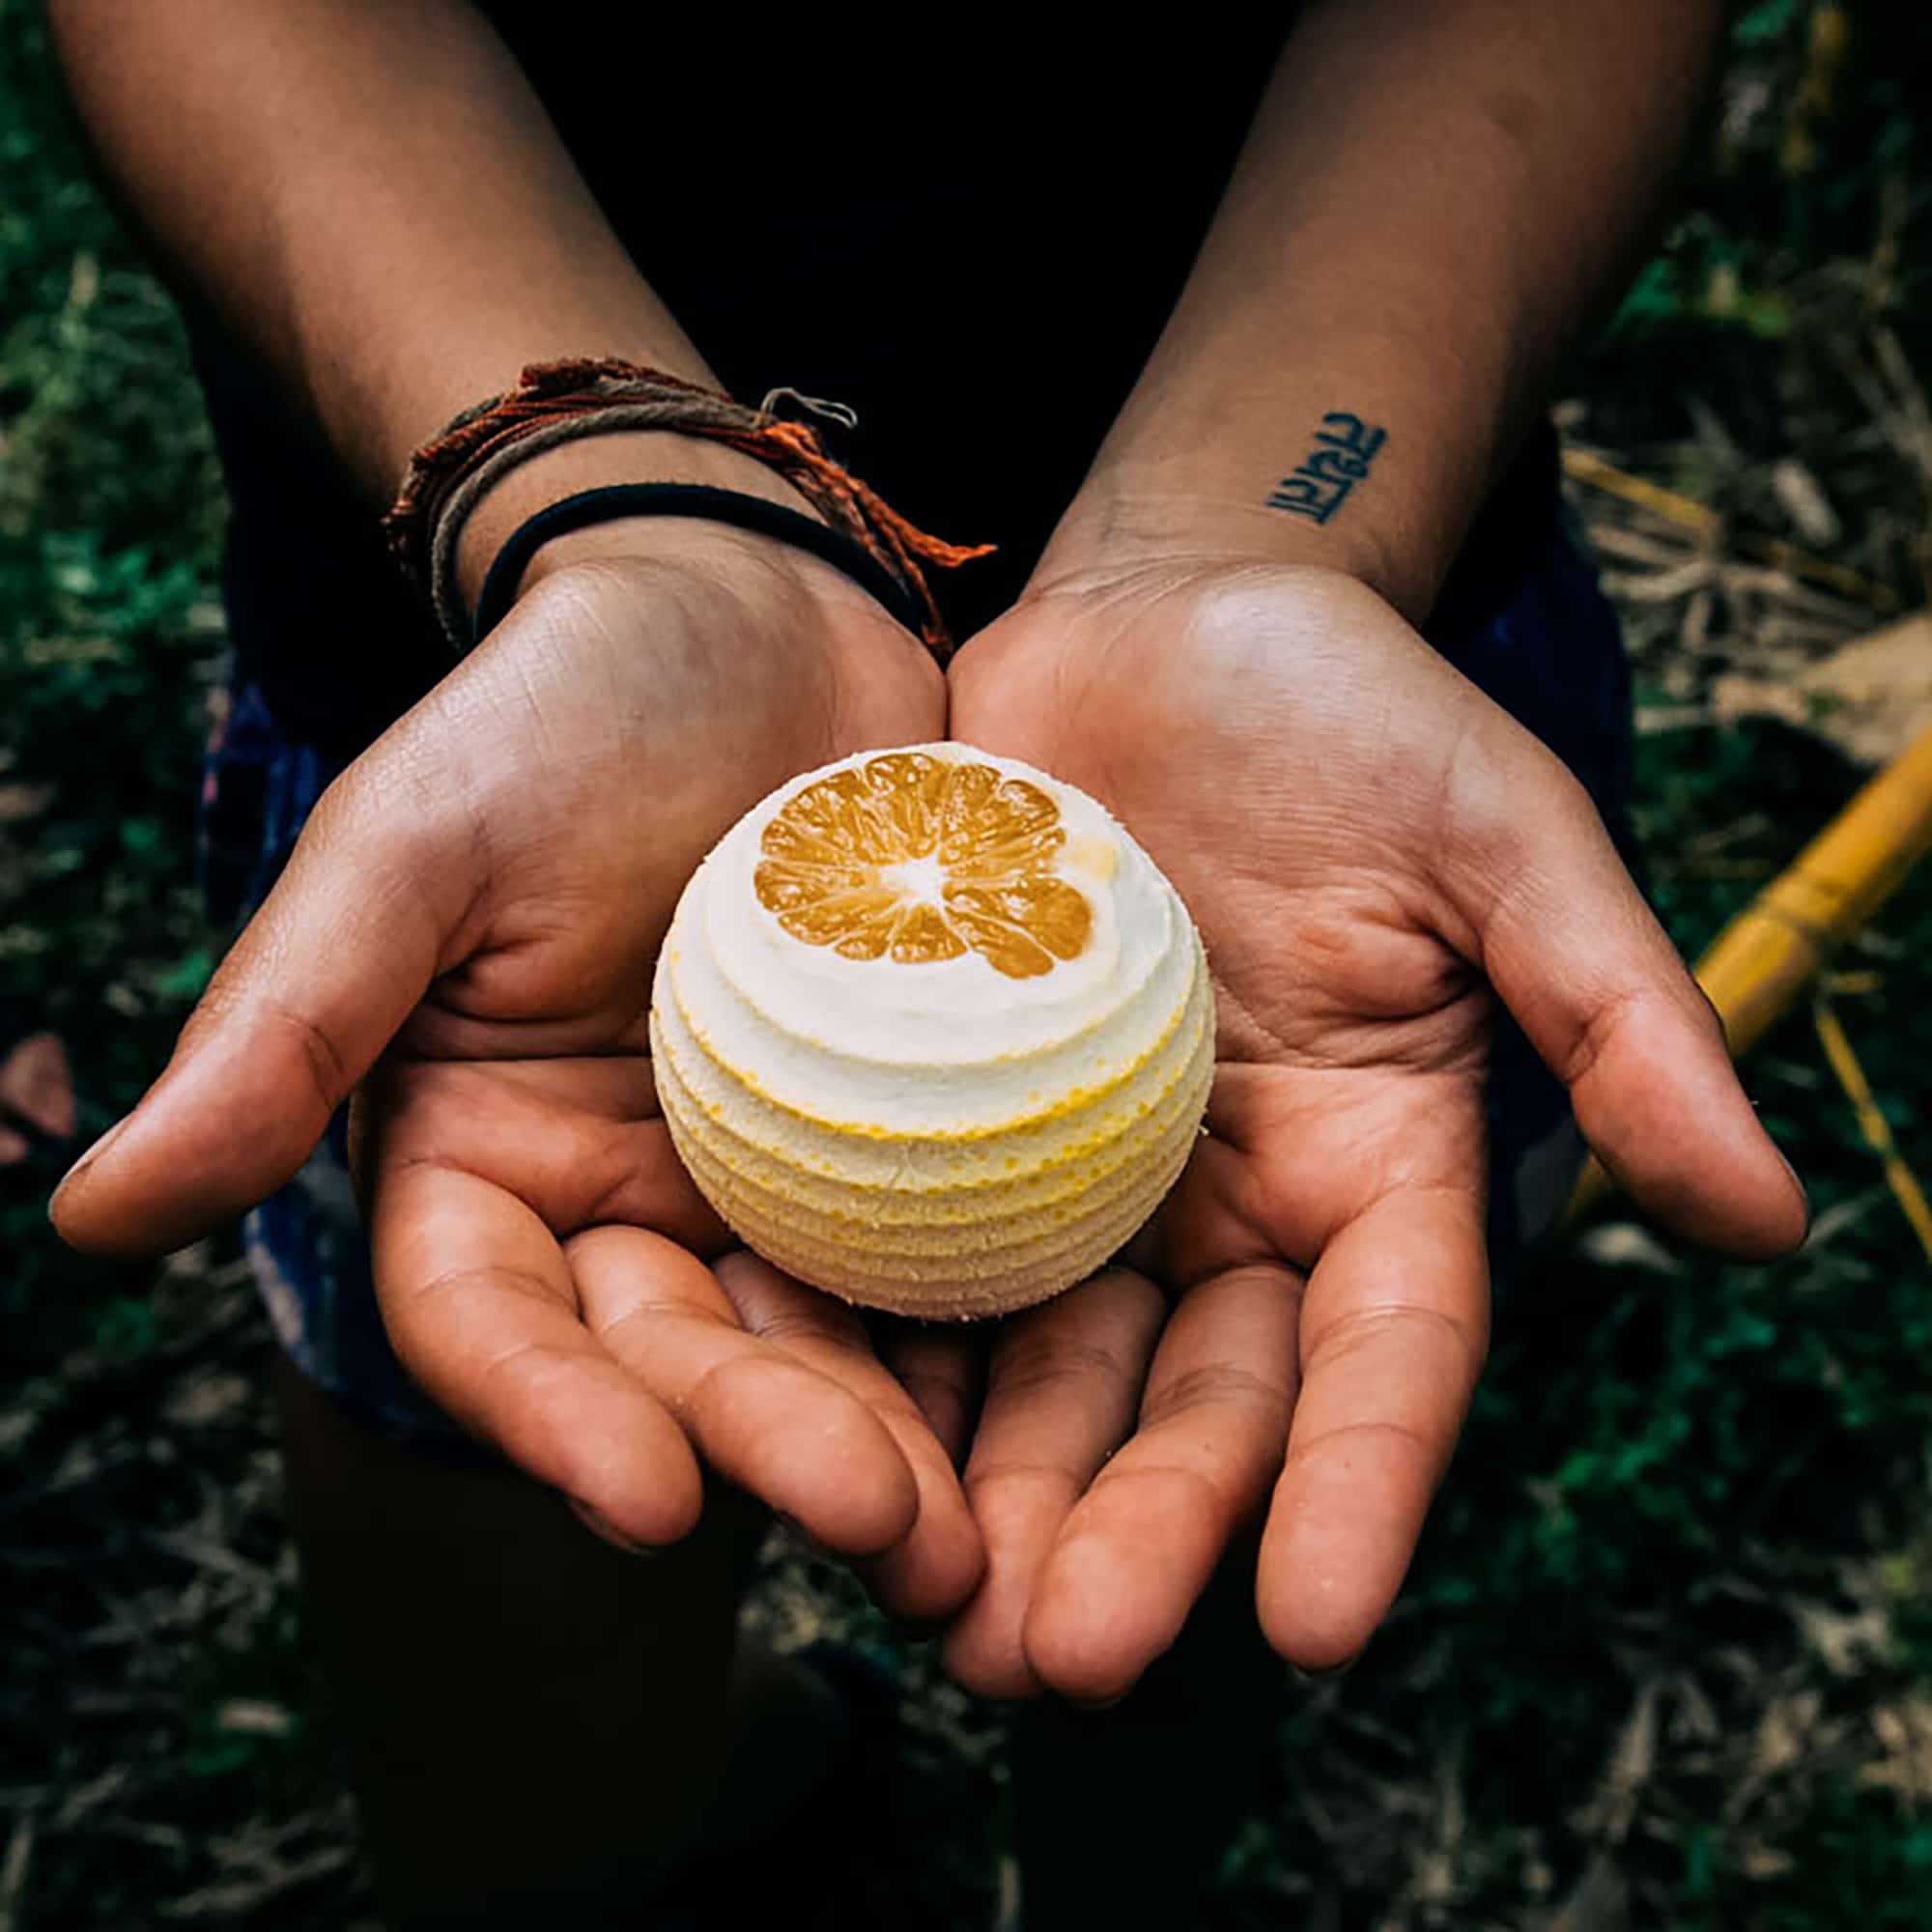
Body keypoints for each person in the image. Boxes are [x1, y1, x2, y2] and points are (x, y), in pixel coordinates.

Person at [46, 5, 1807, 1926]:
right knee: (522, 1706)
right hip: (498, 744)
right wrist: (622, 509)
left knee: (1198, 1557)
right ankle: (760, 1789)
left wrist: (1249, 543)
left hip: (1337, 720)